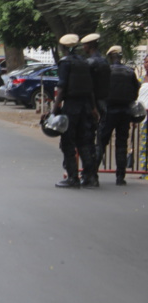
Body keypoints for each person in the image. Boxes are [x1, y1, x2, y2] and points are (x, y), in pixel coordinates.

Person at [52, 34, 99, 189]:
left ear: (63, 48)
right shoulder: (84, 62)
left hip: (71, 107)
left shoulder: (65, 63)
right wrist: (93, 108)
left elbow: (62, 87)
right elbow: (91, 88)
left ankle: (73, 177)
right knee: (85, 142)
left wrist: (54, 109)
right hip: (86, 107)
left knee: (68, 142)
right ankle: (90, 177)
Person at [97, 45, 140, 185]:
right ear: (121, 57)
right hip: (125, 112)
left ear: (110, 57)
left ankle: (92, 173)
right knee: (121, 143)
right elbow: (135, 91)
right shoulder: (129, 71)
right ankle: (120, 177)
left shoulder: (107, 71)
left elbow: (99, 91)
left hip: (109, 111)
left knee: (102, 142)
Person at [81, 33, 110, 167]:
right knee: (101, 138)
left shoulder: (90, 63)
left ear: (90, 46)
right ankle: (94, 170)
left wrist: (92, 106)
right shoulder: (104, 61)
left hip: (92, 105)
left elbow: (89, 87)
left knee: (89, 139)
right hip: (104, 103)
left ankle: (90, 172)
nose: (83, 47)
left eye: (85, 45)